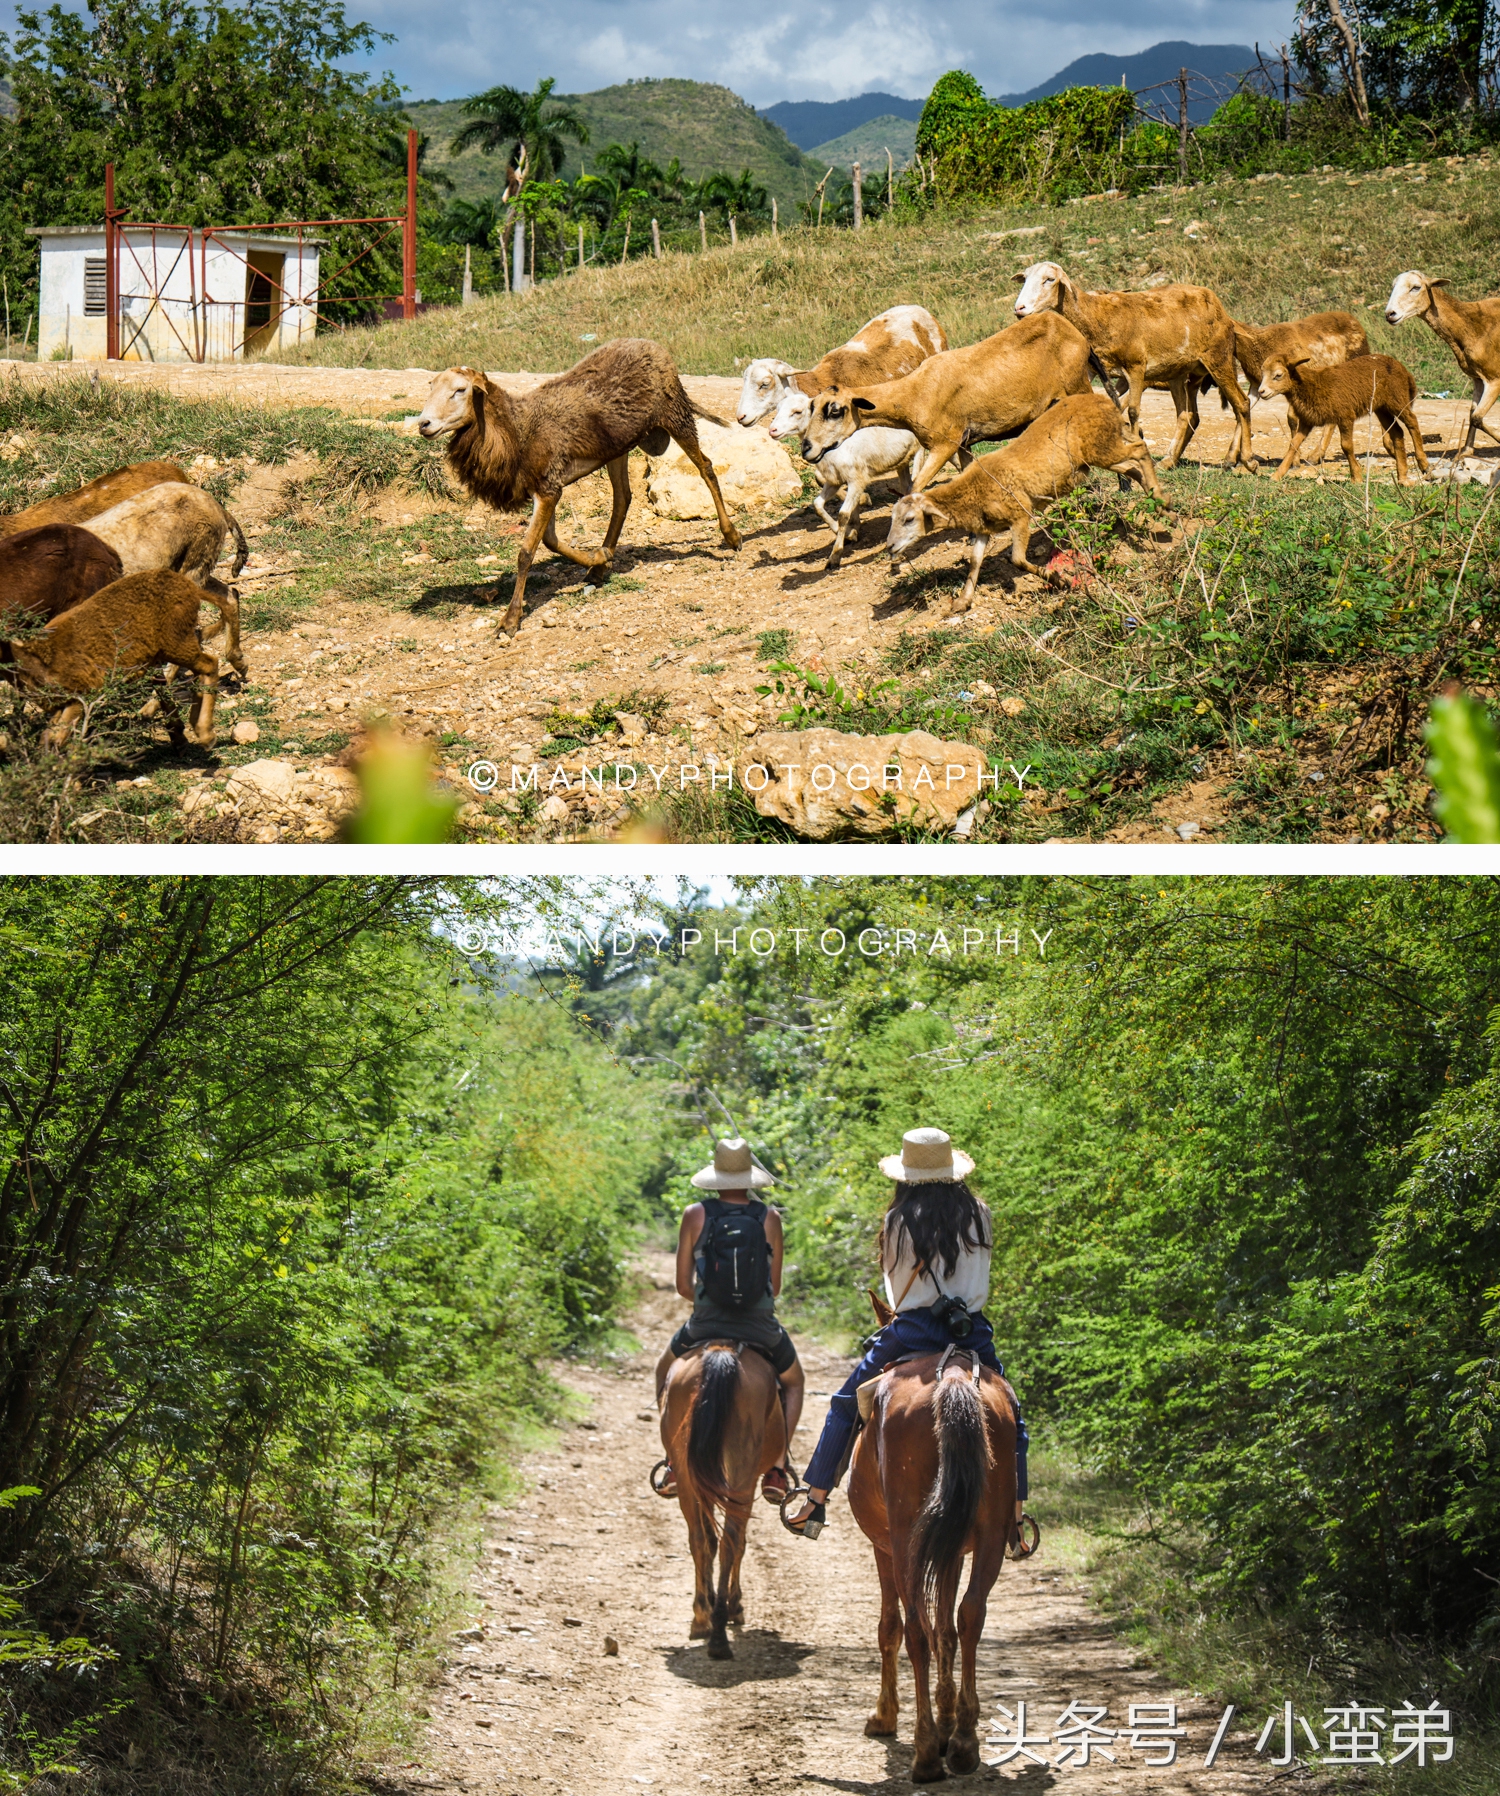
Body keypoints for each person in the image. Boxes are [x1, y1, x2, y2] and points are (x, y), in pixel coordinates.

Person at [783, 1127, 1028, 1538]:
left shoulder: (898, 1220)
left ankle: (815, 1499)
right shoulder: (980, 1213)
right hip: (971, 1332)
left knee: (846, 1403)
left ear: (905, 1176)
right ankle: (1017, 1519)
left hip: (913, 1331)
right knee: (1013, 1414)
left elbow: (896, 1289)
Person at [653, 1138, 805, 1502]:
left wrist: (709, 1302)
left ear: (716, 1177)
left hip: (706, 1323)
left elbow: (681, 1285)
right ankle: (778, 1469)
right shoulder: (769, 1217)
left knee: (663, 1372)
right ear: (751, 1178)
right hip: (759, 1326)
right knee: (796, 1383)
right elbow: (776, 1286)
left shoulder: (695, 1214)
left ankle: (674, 1462)